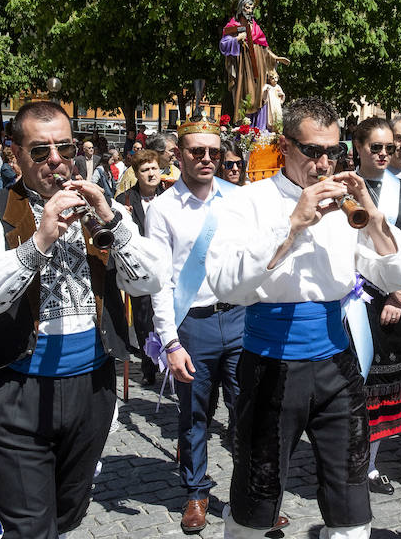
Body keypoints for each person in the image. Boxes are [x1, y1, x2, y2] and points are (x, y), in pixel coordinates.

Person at [205, 97, 401, 539]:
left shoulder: (347, 208)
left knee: (350, 492)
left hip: (337, 364)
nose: (324, 164)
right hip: (269, 362)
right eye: (312, 152)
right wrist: (292, 226)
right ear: (285, 147)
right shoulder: (249, 202)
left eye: (332, 152)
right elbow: (226, 284)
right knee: (257, 493)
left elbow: (398, 275)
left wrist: (373, 217)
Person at [0, 101, 166, 538]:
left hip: (92, 388)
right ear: (14, 156)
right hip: (18, 389)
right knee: (28, 525)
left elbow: (151, 280)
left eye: (64, 149)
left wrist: (109, 219)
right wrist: (39, 241)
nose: (56, 161)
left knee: (69, 512)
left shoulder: (103, 207)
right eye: (39, 151)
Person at [145, 117, 252, 534]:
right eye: (197, 151)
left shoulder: (238, 199)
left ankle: (249, 497)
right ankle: (196, 492)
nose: (207, 159)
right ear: (179, 154)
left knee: (247, 413)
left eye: (214, 152)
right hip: (195, 323)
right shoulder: (162, 209)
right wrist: (170, 342)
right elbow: (159, 280)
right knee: (194, 416)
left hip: (241, 318)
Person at [352, 117, 401, 495]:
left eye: (390, 147)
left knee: (381, 387)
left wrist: (399, 293)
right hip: (355, 298)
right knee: (354, 385)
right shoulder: (343, 188)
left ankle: (368, 465)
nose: (385, 153)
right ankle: (346, 460)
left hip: (396, 297)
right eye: (376, 147)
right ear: (358, 147)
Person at [115, 149, 166, 387]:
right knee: (145, 320)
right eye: (145, 170)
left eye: (154, 168)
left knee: (167, 317)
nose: (151, 173)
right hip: (141, 270)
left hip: (167, 267)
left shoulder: (171, 196)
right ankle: (149, 366)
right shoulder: (125, 200)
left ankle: (168, 361)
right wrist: (120, 219)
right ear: (137, 174)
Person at [220, 0, 290, 124]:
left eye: (251, 8)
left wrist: (276, 58)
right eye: (247, 7)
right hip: (243, 66)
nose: (250, 11)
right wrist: (236, 40)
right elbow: (223, 44)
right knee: (246, 93)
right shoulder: (233, 26)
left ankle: (259, 126)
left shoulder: (256, 27)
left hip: (259, 66)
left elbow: (265, 48)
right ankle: (245, 126)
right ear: (241, 8)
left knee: (260, 93)